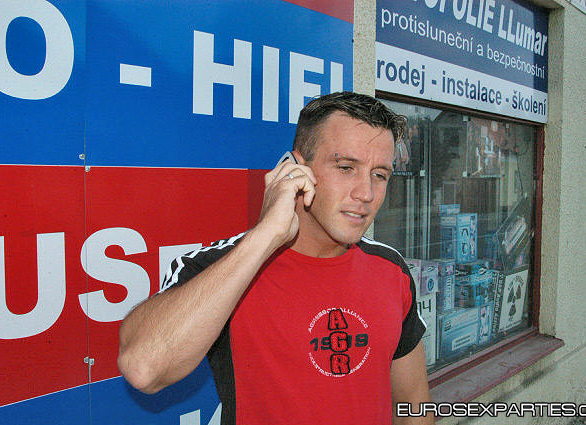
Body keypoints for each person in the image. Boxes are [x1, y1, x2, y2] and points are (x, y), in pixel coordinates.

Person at [117, 92, 434, 424]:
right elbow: (143, 368)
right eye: (345, 168)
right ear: (294, 168)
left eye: (379, 174)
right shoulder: (224, 267)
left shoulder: (391, 269)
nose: (365, 193)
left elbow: (413, 402)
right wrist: (267, 233)